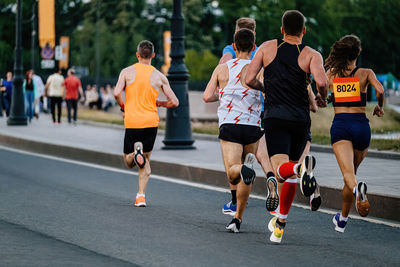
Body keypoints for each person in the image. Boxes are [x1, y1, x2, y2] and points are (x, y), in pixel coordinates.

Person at [246, 10, 328, 243]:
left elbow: (249, 79)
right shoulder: (311, 54)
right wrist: (323, 97)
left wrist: (265, 87)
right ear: (304, 31)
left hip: (275, 116)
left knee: (282, 169)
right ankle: (280, 225)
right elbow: (321, 82)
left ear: (282, 30)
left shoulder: (267, 47)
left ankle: (301, 170)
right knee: (290, 176)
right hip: (300, 118)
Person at [204, 29, 275, 233]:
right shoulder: (258, 68)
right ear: (254, 48)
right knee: (247, 175)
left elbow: (207, 96)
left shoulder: (221, 69)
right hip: (252, 125)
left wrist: (225, 93)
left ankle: (243, 169)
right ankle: (237, 219)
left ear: (234, 47)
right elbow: (266, 91)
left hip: (229, 124)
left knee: (233, 172)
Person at [325, 35, 384, 232]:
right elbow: (381, 90)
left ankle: (358, 191)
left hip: (341, 125)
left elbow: (320, 86)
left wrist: (321, 97)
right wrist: (379, 107)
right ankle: (342, 220)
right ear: (358, 53)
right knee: (351, 175)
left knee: (349, 176)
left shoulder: (332, 74)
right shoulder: (366, 73)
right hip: (361, 127)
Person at [218, 17, 277, 216]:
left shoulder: (229, 49)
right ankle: (270, 177)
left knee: (234, 162)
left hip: (235, 112)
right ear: (254, 37)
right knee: (261, 154)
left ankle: (235, 202)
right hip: (258, 109)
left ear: (236, 35)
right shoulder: (260, 51)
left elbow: (226, 65)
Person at [114, 40, 179, 207]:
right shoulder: (159, 76)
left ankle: (136, 153)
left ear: (137, 55)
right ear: (153, 55)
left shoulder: (127, 72)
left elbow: (116, 93)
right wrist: (160, 103)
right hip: (150, 122)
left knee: (129, 162)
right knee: (145, 160)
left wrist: (123, 107)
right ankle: (141, 195)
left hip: (132, 121)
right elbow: (175, 102)